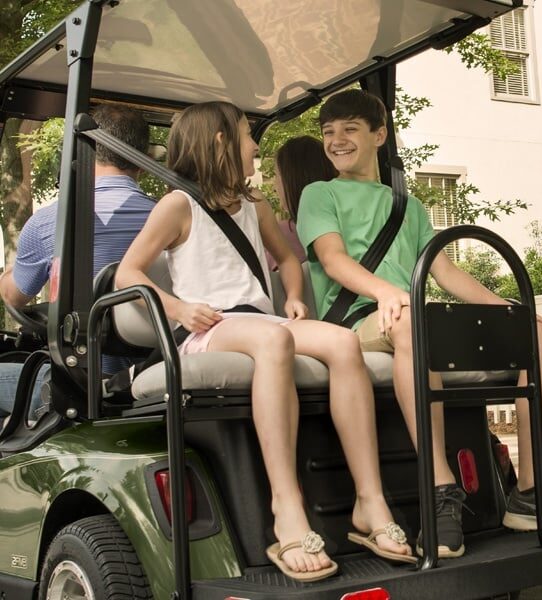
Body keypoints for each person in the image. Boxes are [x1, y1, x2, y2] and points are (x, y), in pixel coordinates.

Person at [297, 89, 542, 559]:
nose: (337, 140)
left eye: (350, 130)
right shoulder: (319, 194)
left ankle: (530, 490)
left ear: (379, 135)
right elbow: (333, 260)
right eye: (329, 133)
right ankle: (442, 494)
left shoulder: (410, 207)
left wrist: (505, 309)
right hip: (361, 320)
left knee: (541, 336)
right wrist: (385, 291)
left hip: (407, 315)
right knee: (414, 326)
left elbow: (444, 271)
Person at [116, 101, 412, 582]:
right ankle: (286, 506)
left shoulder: (255, 205)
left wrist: (294, 296)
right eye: (247, 135)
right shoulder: (177, 204)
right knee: (276, 344)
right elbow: (128, 273)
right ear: (220, 142)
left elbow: (288, 260)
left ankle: (369, 501)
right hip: (210, 328)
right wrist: (179, 309)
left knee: (341, 343)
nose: (256, 145)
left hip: (261, 322)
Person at [0, 104, 155, 421]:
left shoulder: (49, 221)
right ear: (144, 157)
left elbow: (14, 298)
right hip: (153, 376)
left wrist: (9, 274)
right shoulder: (172, 219)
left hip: (79, 384)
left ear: (87, 149)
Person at [266, 135, 336, 270]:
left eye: (276, 175)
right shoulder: (345, 229)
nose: (274, 186)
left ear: (292, 180)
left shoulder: (276, 235)